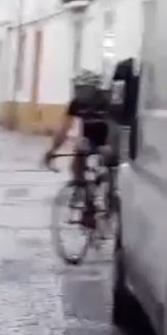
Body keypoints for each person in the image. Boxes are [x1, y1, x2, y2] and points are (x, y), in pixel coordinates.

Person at [43, 71, 114, 226]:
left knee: (109, 171)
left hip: (107, 137)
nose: (79, 93)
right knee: (78, 161)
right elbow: (64, 128)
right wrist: (53, 151)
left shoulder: (105, 101)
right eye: (78, 89)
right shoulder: (76, 103)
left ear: (93, 89)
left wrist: (109, 146)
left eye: (83, 89)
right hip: (88, 139)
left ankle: (110, 203)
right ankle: (85, 196)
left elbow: (114, 126)